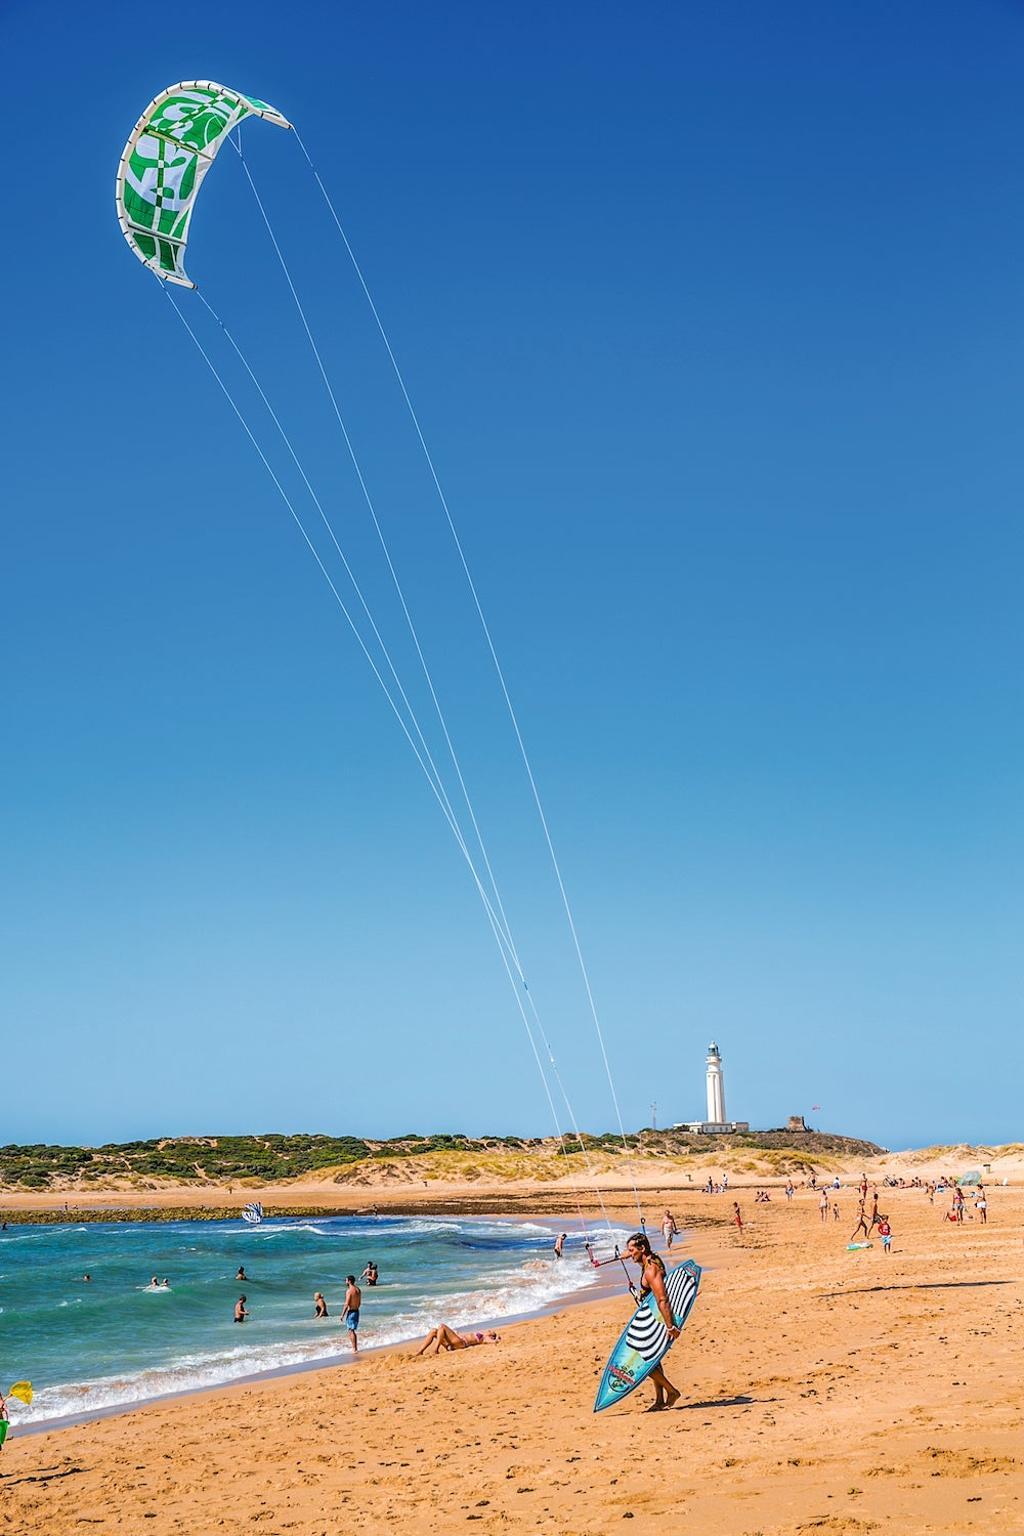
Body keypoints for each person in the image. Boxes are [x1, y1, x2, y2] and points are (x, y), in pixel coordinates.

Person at [624, 1233, 680, 1410]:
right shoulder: (650, 1261)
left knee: (643, 1358)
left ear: (642, 1249)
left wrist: (670, 1326)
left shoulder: (651, 1270)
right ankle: (659, 1400)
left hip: (658, 1320)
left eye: (632, 1250)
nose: (629, 1253)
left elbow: (662, 1298)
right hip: (654, 1317)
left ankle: (672, 1391)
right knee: (655, 1359)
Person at [415, 1325, 500, 1355]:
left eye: (491, 1332)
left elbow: (493, 1342)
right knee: (434, 1331)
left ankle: (435, 1349)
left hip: (461, 1344)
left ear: (491, 1336)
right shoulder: (482, 1334)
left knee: (442, 1326)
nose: (489, 1330)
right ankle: (420, 1351)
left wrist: (496, 1339)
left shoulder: (485, 1337)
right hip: (454, 1343)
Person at [342, 1275, 361, 1353]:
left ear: (349, 1281)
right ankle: (355, 1348)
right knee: (352, 1330)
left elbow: (346, 1303)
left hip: (352, 1312)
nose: (345, 1282)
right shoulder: (358, 1289)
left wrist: (342, 1315)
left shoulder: (349, 1291)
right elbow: (359, 1302)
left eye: (346, 1280)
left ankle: (354, 1348)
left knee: (351, 1330)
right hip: (357, 1311)